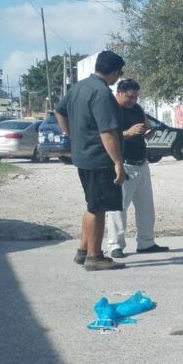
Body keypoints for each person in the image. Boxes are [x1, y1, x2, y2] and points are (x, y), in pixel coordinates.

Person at [54, 50, 127, 270]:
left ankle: (83, 250)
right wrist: (118, 162)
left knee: (92, 205)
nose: (118, 77)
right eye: (119, 73)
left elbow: (59, 111)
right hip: (99, 159)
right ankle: (95, 257)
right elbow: (107, 132)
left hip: (83, 156)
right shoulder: (101, 93)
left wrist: (71, 134)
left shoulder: (78, 87)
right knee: (99, 208)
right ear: (114, 72)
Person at [104, 79, 169, 258]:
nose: (133, 101)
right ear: (119, 92)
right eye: (129, 97)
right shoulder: (111, 110)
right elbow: (107, 136)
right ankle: (115, 245)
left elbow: (148, 128)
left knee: (146, 207)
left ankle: (146, 242)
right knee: (119, 208)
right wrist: (127, 133)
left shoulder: (137, 109)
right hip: (123, 164)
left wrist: (149, 132)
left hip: (141, 163)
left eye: (136, 97)